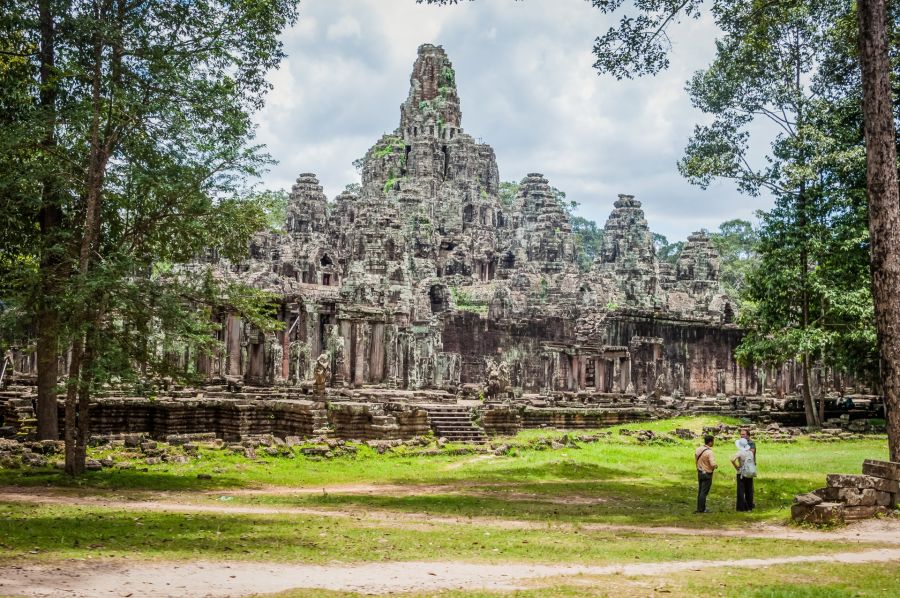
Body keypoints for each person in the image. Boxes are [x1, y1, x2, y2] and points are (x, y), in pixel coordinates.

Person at [731, 438, 757, 511]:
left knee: (741, 490)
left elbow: (732, 459)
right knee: (749, 490)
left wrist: (736, 467)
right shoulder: (750, 452)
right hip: (749, 472)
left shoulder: (740, 452)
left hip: (741, 473)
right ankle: (749, 506)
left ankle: (741, 507)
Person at [694, 435, 717, 513]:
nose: (713, 443)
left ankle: (700, 508)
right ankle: (701, 509)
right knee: (704, 492)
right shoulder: (709, 452)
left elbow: (695, 457)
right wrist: (715, 466)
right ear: (710, 442)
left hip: (700, 472)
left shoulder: (698, 449)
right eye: (713, 441)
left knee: (700, 491)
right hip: (707, 474)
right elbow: (712, 464)